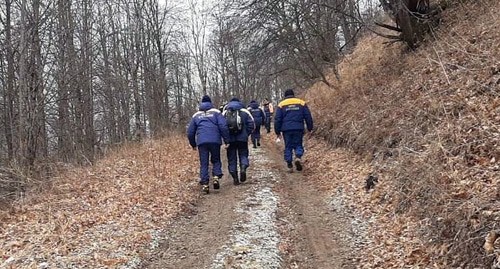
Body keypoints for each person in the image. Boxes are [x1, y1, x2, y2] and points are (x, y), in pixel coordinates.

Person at [187, 95, 230, 194]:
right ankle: (216, 177)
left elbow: (190, 132)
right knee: (216, 159)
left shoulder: (196, 115)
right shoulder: (217, 113)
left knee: (204, 163)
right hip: (215, 140)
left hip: (202, 142)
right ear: (210, 103)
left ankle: (205, 184)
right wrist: (227, 140)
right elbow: (223, 126)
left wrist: (193, 144)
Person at [274, 89, 313, 172]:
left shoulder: (281, 104)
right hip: (298, 128)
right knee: (298, 144)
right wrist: (310, 128)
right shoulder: (301, 102)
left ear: (285, 96)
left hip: (286, 129)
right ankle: (298, 157)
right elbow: (308, 116)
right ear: (293, 94)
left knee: (288, 146)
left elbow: (277, 119)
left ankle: (289, 165)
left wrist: (277, 132)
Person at [223, 97, 255, 185]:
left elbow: (222, 126)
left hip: (230, 140)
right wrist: (246, 134)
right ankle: (243, 167)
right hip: (242, 139)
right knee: (243, 154)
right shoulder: (245, 111)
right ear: (239, 102)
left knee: (232, 158)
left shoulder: (225, 112)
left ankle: (235, 177)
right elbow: (252, 124)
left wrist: (225, 138)